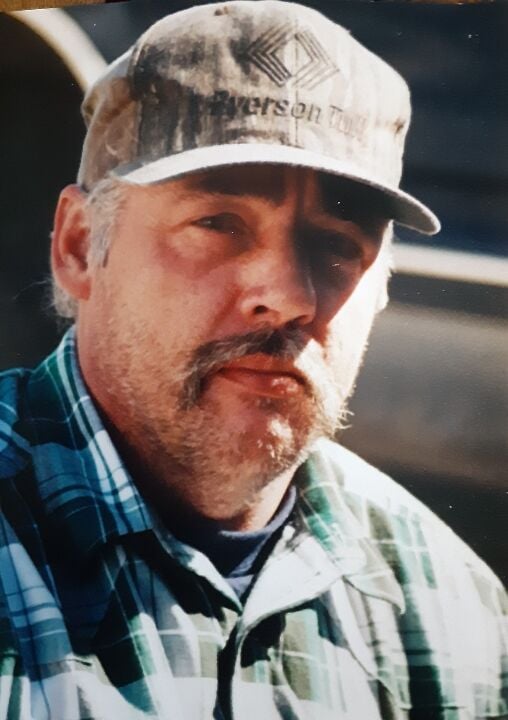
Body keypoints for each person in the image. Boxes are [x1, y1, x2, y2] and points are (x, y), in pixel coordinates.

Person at [0, 2, 506, 718]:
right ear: (81, 246)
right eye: (218, 223)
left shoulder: (446, 604)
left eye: (337, 243)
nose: (291, 295)